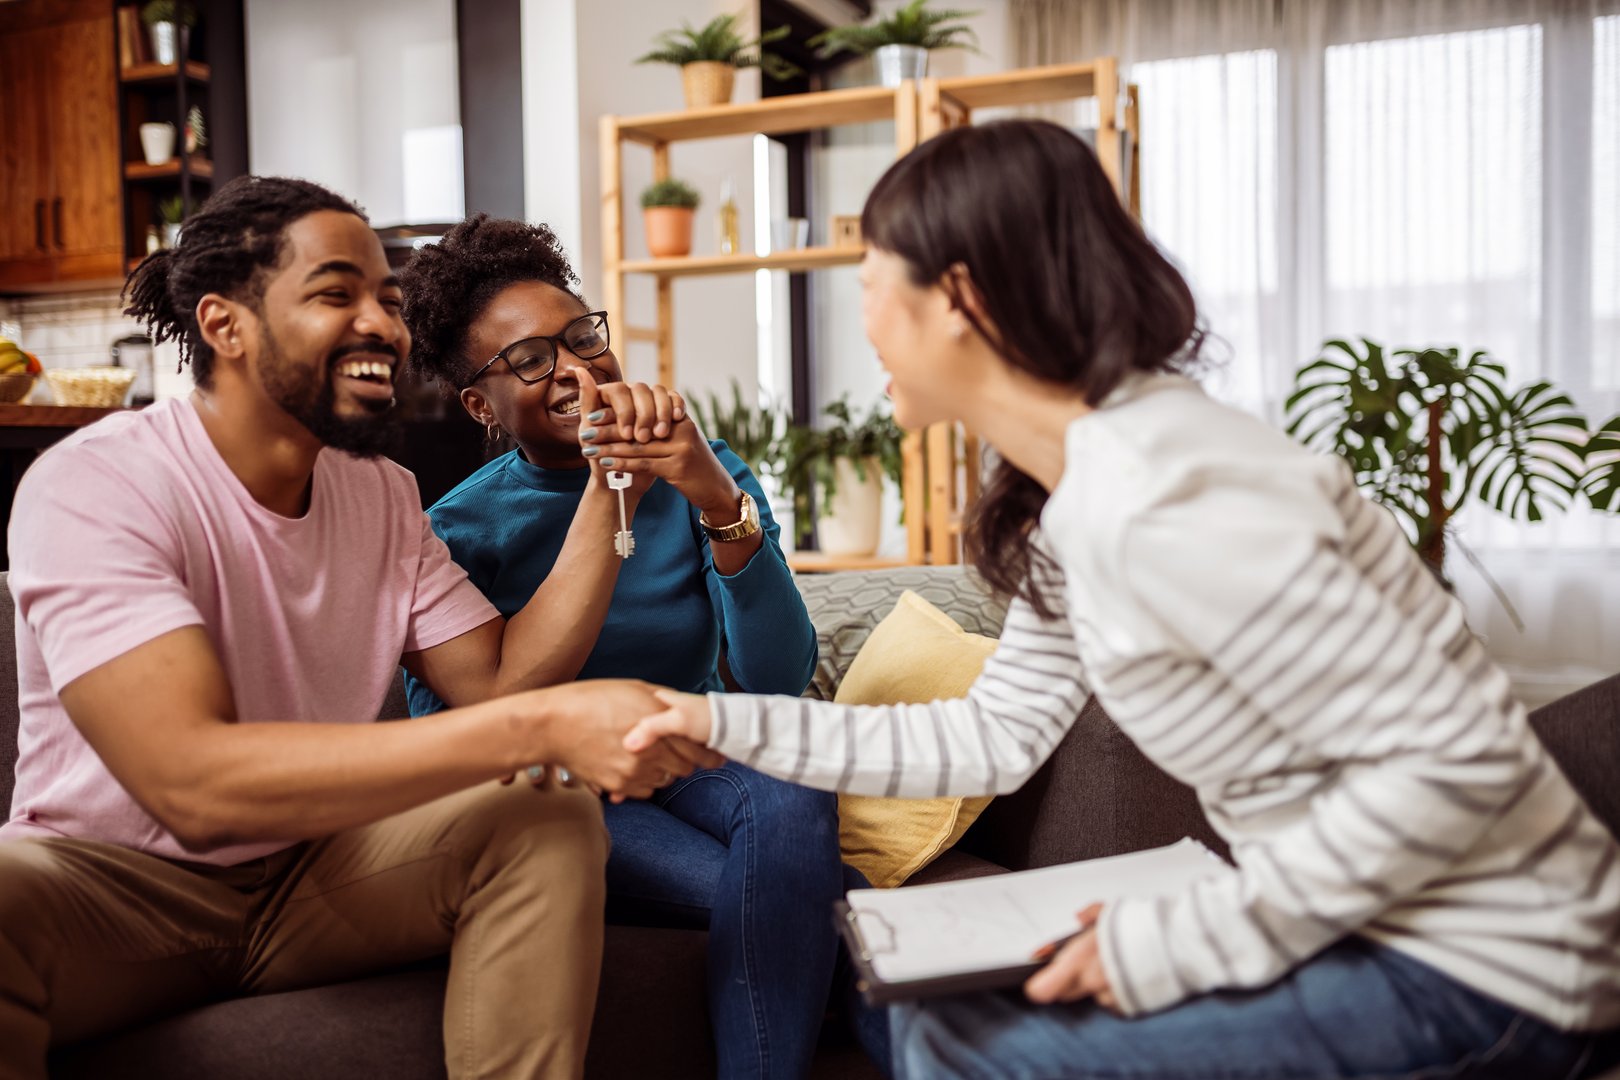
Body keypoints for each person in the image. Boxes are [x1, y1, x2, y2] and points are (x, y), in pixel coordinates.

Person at [623, 119, 1620, 1079]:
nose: (865, 321)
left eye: (873, 285)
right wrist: (707, 720)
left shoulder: (1172, 491)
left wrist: (1175, 940)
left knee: (948, 1044)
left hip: (1497, 965)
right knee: (910, 1000)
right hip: (1363, 925)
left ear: (958, 298)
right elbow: (986, 738)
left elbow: (1455, 771)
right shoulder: (1083, 499)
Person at [0, 176, 716, 1080]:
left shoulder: (379, 494)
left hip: (312, 879)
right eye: (337, 293)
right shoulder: (98, 484)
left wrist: (614, 478)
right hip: (115, 889)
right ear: (226, 326)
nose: (382, 322)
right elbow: (190, 784)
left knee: (541, 817)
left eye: (386, 297)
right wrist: (539, 730)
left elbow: (500, 683)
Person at [397, 214, 863, 1080]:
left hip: (684, 755)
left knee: (794, 792)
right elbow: (472, 721)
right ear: (478, 405)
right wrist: (612, 486)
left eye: (582, 337)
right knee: (832, 903)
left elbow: (777, 678)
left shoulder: (698, 464)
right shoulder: (453, 528)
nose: (576, 368)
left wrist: (716, 497)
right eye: (532, 360)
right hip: (550, 791)